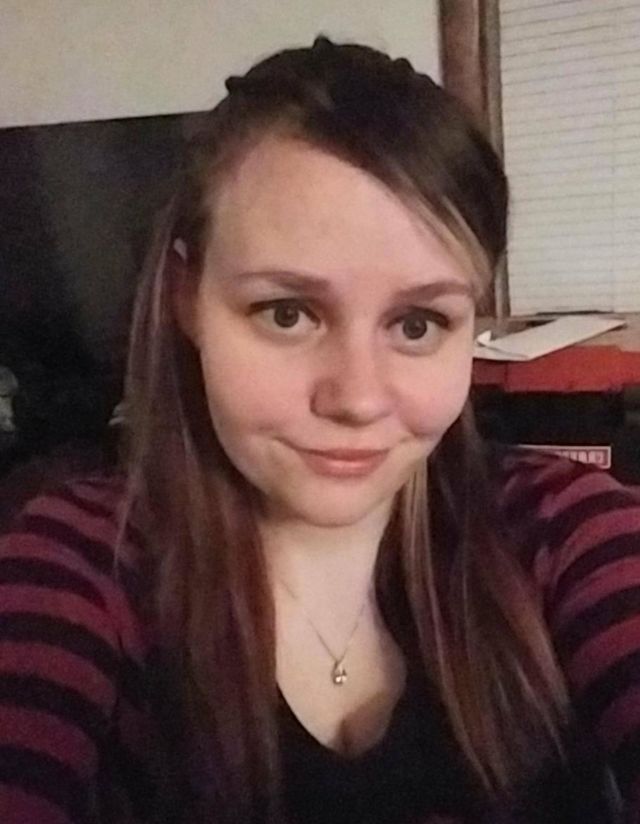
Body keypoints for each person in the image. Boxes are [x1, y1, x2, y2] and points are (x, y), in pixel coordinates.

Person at [0, 36, 638, 824]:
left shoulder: (566, 530)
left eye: (417, 323)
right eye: (288, 313)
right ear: (186, 297)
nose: (357, 399)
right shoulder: (80, 564)